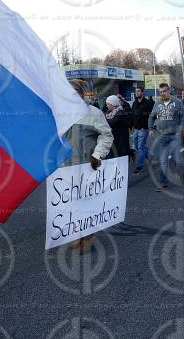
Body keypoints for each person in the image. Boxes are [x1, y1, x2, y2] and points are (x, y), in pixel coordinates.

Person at [64, 80, 113, 254]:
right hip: (66, 168)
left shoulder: (94, 113)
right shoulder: (61, 114)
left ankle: (89, 235)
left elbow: (106, 136)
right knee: (71, 202)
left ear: (81, 95)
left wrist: (97, 155)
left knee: (88, 202)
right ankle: (77, 232)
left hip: (87, 166)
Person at [148, 83, 184, 190]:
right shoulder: (157, 103)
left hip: (175, 136)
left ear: (169, 91)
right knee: (163, 161)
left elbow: (183, 117)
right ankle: (163, 182)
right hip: (162, 136)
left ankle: (182, 176)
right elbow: (151, 117)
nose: (162, 93)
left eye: (164, 91)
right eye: (160, 92)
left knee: (177, 160)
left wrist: (180, 130)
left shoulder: (178, 102)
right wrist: (151, 129)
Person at [131, 87, 153, 173]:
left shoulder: (147, 103)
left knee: (140, 147)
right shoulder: (134, 103)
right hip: (136, 128)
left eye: (138, 91)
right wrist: (131, 126)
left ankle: (140, 166)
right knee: (136, 146)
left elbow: (151, 115)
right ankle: (149, 155)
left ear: (142, 93)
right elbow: (133, 115)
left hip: (144, 129)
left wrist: (149, 126)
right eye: (136, 91)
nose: (136, 93)